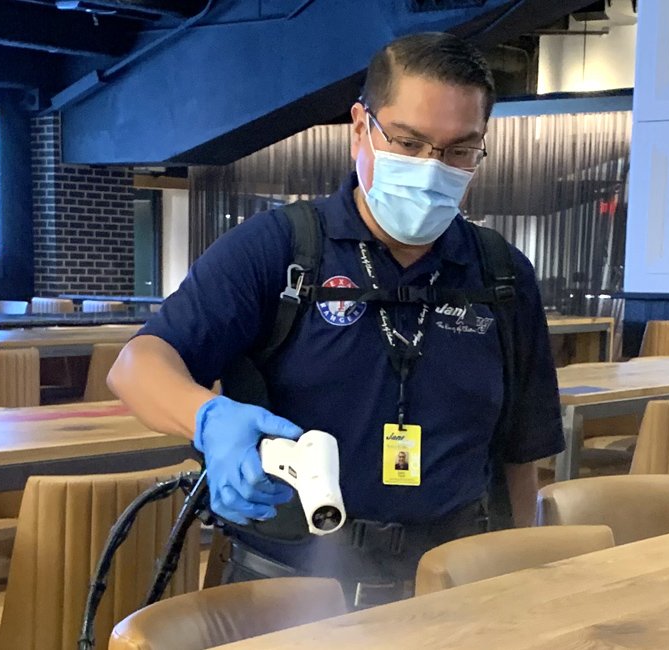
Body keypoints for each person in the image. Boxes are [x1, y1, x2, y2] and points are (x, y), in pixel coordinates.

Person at [108, 33, 563, 608]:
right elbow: (138, 364)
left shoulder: (502, 276)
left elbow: (522, 457)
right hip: (290, 581)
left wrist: (521, 583)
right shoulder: (281, 250)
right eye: (409, 142)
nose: (431, 169)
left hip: (453, 584)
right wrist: (209, 418)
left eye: (459, 150)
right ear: (359, 126)